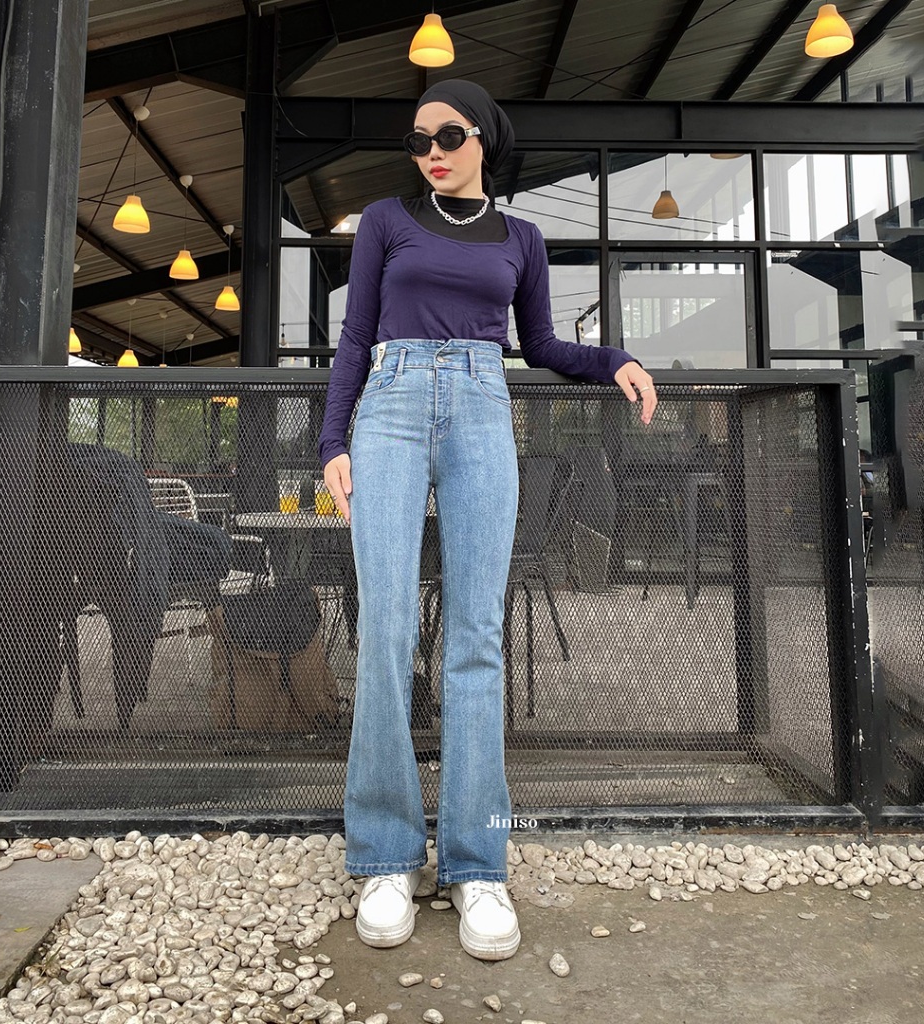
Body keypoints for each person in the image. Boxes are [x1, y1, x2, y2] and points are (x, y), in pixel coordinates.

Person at [317, 79, 657, 961]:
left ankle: (477, 864)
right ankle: (387, 856)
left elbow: (540, 345)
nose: (431, 150)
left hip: (480, 405)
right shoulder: (386, 222)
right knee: (387, 626)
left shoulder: (522, 239)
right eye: (418, 138)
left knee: (476, 636)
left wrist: (611, 359)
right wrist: (332, 441)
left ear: (485, 141)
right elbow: (354, 336)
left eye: (449, 135)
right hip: (390, 405)